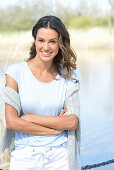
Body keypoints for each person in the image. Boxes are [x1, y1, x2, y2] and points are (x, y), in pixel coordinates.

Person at [1, 15, 81, 170]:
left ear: (60, 43)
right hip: (25, 157)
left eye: (52, 41)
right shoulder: (15, 72)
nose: (46, 47)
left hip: (60, 157)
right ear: (35, 41)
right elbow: (12, 122)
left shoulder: (68, 76)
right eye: (41, 40)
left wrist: (29, 118)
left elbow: (72, 122)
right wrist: (56, 129)